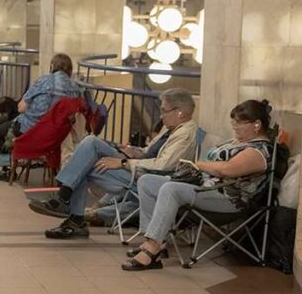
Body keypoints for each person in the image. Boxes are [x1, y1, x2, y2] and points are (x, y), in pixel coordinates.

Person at [122, 99, 273, 271]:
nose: (235, 127)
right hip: (205, 187)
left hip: (227, 200)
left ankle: (151, 250)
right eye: (234, 122)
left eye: (239, 123)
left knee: (171, 189)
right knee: (147, 181)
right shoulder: (238, 142)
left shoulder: (259, 151)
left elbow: (227, 170)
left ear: (257, 124)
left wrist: (200, 165)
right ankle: (155, 241)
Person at [30, 88, 200, 239]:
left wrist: (123, 162)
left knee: (86, 155)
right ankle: (69, 209)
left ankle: (69, 210)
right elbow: (149, 152)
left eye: (164, 111)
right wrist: (132, 150)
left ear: (180, 112)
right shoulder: (170, 128)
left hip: (146, 178)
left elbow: (163, 166)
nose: (161, 116)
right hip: (139, 167)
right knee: (87, 150)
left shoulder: (184, 134)